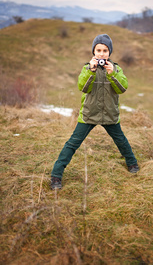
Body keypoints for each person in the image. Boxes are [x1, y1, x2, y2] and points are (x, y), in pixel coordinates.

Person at [50, 34, 139, 189]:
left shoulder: (116, 69)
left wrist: (113, 74)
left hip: (110, 114)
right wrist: (90, 72)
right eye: (98, 50)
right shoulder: (87, 68)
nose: (101, 54)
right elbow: (82, 87)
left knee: (121, 140)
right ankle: (56, 176)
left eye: (105, 50)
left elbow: (122, 88)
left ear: (109, 52)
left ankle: (132, 164)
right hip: (89, 114)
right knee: (72, 144)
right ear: (93, 51)